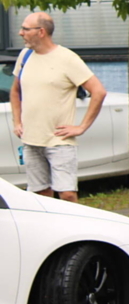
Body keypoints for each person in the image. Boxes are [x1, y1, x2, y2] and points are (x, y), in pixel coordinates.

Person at [10, 12, 107, 203]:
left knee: (67, 194)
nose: (20, 33)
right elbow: (15, 91)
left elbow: (98, 92)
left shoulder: (67, 59)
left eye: (25, 29)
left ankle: (75, 230)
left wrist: (81, 127)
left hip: (59, 141)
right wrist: (17, 121)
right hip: (31, 141)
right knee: (40, 196)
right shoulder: (25, 55)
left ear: (41, 32)